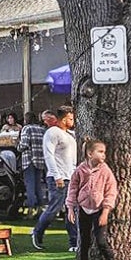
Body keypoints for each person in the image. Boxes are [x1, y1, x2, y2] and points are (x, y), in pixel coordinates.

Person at [67, 139, 120, 260]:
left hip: (99, 211)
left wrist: (105, 211)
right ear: (90, 153)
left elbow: (111, 191)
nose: (104, 155)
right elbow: (72, 189)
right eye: (100, 152)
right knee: (84, 241)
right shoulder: (80, 170)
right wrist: (70, 208)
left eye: (104, 152)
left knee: (101, 242)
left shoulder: (105, 171)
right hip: (83, 209)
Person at [32, 106, 78, 251]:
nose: (73, 121)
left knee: (72, 209)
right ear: (64, 119)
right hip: (58, 177)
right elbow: (48, 155)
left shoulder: (70, 135)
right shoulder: (52, 133)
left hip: (71, 176)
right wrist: (56, 175)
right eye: (70, 118)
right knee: (55, 208)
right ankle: (37, 232)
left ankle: (74, 242)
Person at [18, 111, 47, 217]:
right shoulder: (42, 130)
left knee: (29, 185)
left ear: (26, 120)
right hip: (40, 160)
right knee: (38, 185)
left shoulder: (27, 129)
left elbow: (24, 145)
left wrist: (18, 146)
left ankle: (30, 209)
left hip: (29, 160)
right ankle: (40, 207)